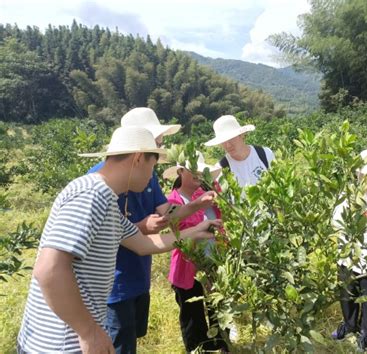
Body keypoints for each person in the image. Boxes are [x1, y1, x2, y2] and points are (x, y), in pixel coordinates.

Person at [16, 126, 221, 353]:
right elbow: (49, 270)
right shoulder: (91, 194)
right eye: (152, 166)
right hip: (58, 345)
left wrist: (197, 229)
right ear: (138, 159)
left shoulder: (108, 200)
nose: (152, 176)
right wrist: (88, 332)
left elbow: (144, 244)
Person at [87, 107, 217, 353]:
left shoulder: (148, 176)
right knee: (119, 343)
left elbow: (164, 217)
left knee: (129, 340)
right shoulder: (98, 187)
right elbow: (55, 267)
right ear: (137, 151)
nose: (161, 143)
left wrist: (197, 206)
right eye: (157, 140)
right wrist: (142, 227)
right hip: (114, 284)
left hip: (139, 276)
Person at [163, 152, 229, 352]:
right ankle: (199, 349)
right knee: (193, 317)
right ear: (181, 171)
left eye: (201, 172)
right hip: (188, 268)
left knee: (219, 313)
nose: (198, 176)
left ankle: (223, 346)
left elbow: (226, 217)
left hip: (214, 263)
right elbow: (176, 237)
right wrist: (199, 233)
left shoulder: (210, 193)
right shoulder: (172, 201)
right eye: (193, 171)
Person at [331, 148, 367, 352]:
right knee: (347, 295)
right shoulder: (348, 197)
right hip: (348, 257)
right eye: (365, 174)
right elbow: (336, 223)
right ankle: (349, 325)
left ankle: (366, 334)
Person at [204, 115, 274, 188]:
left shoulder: (265, 154)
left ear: (241, 135)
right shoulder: (220, 169)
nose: (228, 145)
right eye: (223, 141)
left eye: (231, 139)